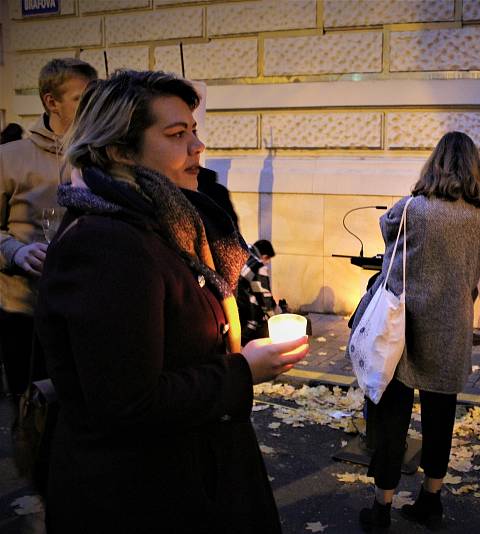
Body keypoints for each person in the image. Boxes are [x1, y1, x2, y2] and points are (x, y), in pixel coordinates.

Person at [35, 70, 309, 533]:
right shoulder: (107, 243)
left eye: (195, 130)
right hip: (139, 497)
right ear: (120, 150)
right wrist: (244, 370)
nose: (197, 146)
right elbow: (127, 402)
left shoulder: (172, 221)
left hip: (186, 473)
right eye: (177, 134)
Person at [351, 131, 480, 532]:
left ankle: (381, 506)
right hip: (451, 329)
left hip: (403, 327)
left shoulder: (413, 208)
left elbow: (386, 229)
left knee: (392, 417)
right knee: (440, 417)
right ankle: (431, 499)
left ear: (435, 164)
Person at [0, 58, 97, 403]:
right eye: (80, 99)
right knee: (32, 410)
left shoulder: (100, 156)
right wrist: (16, 251)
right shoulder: (9, 158)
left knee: (80, 405)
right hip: (24, 310)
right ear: (51, 102)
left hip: (85, 308)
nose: (91, 107)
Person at [238, 239, 280, 345]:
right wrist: (275, 315)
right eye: (267, 259)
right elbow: (264, 296)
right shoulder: (257, 265)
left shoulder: (242, 253)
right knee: (255, 321)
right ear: (265, 256)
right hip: (245, 307)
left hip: (232, 299)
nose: (267, 262)